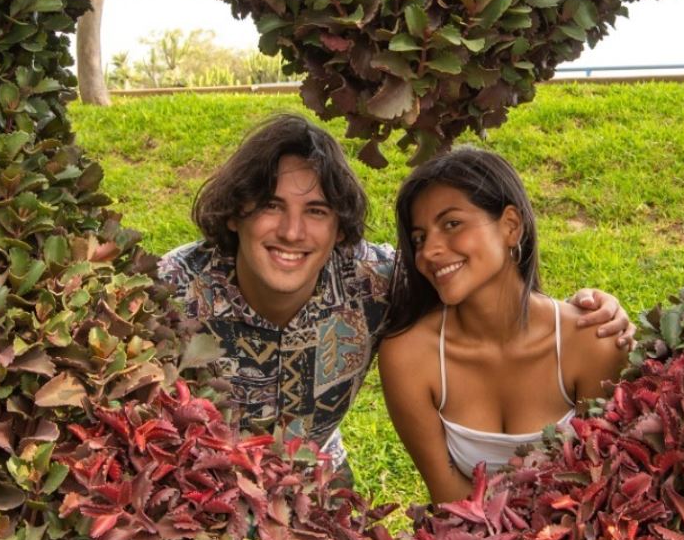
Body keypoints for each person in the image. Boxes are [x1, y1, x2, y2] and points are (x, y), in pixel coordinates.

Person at [155, 114, 635, 483]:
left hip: (319, 486)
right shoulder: (172, 290)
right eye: (270, 206)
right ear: (235, 213)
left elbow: (477, 280)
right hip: (198, 491)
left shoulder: (375, 278)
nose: (292, 231)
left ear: (340, 228)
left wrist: (591, 308)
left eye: (316, 211)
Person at [377, 147, 629, 504]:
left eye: (452, 224)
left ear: (511, 226)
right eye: (419, 238)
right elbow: (448, 498)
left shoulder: (591, 340)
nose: (429, 251)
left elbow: (597, 485)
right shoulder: (409, 356)